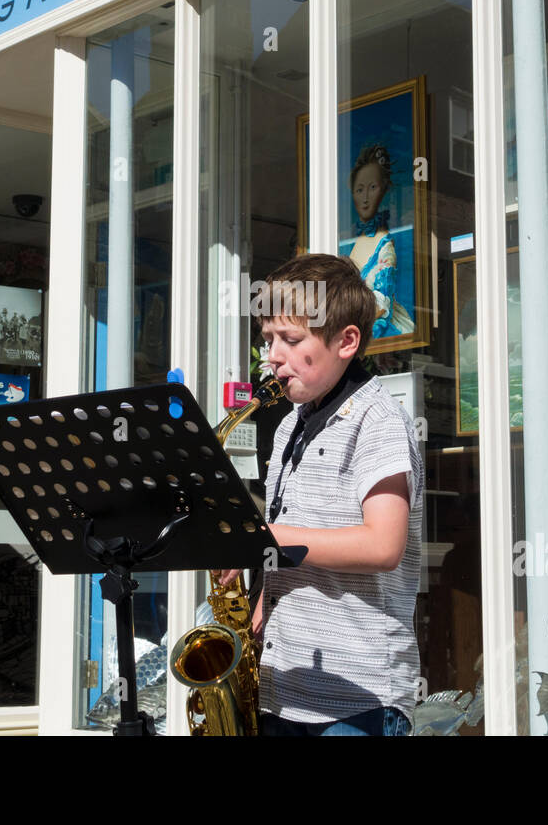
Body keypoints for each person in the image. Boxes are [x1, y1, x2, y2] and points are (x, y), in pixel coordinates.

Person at [225, 253, 424, 736]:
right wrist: (250, 615)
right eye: (268, 338)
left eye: (291, 340)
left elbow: (383, 546)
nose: (272, 355)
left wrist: (269, 535)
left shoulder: (377, 419)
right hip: (284, 687)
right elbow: (289, 557)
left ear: (346, 342)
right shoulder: (291, 424)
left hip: (355, 698)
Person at [346, 143, 415, 338]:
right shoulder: (346, 243)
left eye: (372, 188)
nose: (365, 198)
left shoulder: (385, 246)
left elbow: (381, 305)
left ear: (384, 192)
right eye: (359, 190)